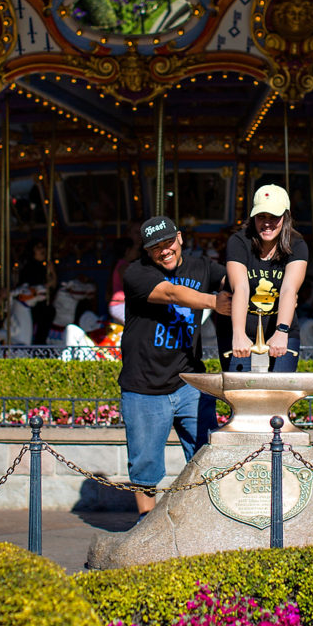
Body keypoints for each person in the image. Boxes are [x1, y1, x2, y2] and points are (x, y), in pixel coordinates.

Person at [119, 215, 232, 521]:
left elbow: (231, 280)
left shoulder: (203, 267)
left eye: (168, 242)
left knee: (205, 455)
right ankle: (146, 527)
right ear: (146, 250)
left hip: (189, 382)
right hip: (143, 385)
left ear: (179, 238)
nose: (163, 250)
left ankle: (207, 520)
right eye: (155, 247)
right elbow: (171, 293)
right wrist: (214, 301)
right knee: (144, 467)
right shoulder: (136, 273)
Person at [222, 184, 308, 372]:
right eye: (261, 217)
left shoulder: (297, 244)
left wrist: (282, 331)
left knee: (279, 391)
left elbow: (289, 290)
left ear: (285, 217)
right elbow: (241, 288)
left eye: (274, 217)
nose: (267, 223)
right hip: (241, 327)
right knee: (240, 393)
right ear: (253, 217)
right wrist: (238, 333)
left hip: (281, 328)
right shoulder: (239, 241)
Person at [18, 239, 57, 344]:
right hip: (30, 302)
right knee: (46, 312)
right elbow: (38, 286)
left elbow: (53, 285)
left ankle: (41, 340)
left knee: (49, 311)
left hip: (40, 301)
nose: (42, 250)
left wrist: (52, 271)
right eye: (38, 248)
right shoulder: (29, 268)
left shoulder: (42, 267)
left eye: (42, 247)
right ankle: (38, 341)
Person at [107, 236, 139, 325]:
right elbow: (130, 285)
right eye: (134, 249)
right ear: (128, 251)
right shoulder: (124, 266)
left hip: (120, 305)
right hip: (120, 305)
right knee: (137, 327)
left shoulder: (122, 264)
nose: (137, 251)